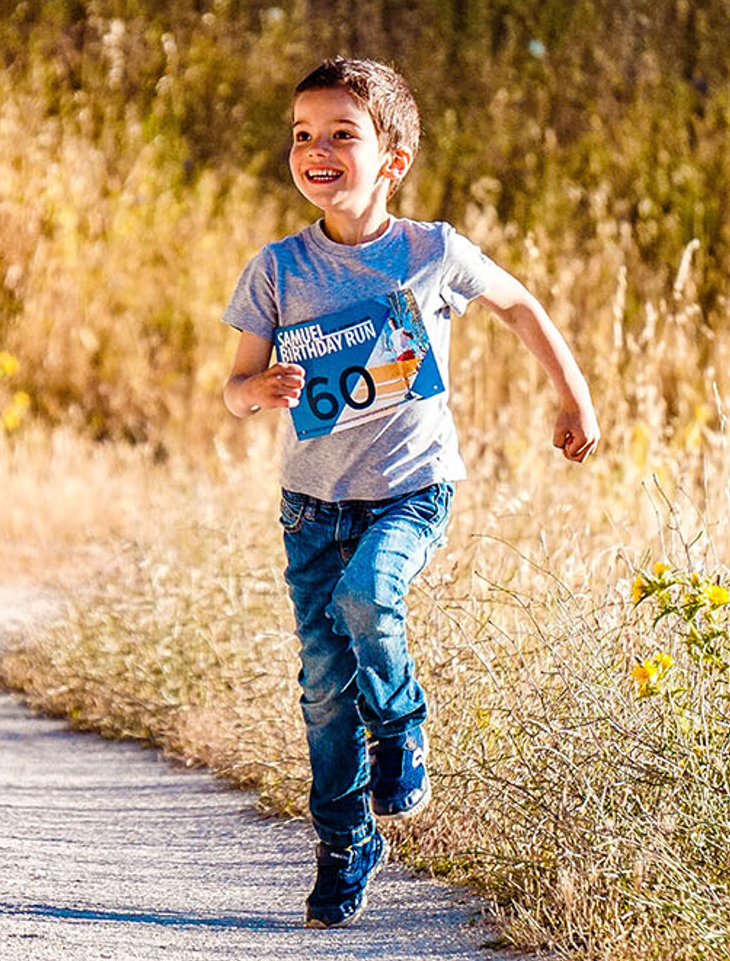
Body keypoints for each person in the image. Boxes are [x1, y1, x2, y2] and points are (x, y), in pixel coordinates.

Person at [221, 57, 599, 929]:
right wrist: (261, 391)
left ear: (391, 158)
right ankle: (346, 841)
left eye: (341, 135)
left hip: (411, 491)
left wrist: (573, 394)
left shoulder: (431, 251)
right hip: (312, 506)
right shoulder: (276, 269)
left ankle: (401, 726)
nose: (316, 150)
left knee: (369, 596)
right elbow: (235, 386)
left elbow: (518, 305)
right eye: (302, 134)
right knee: (321, 685)